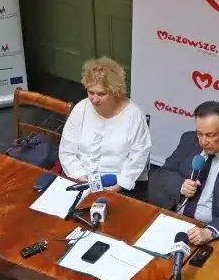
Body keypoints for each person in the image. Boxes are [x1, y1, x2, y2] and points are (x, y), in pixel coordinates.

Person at [148, 101, 219, 245]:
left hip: (210, 231)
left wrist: (210, 232)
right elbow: (164, 173)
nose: (203, 141)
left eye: (210, 135)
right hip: (174, 219)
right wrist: (181, 186)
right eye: (199, 134)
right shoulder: (189, 140)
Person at [57, 57, 151, 194]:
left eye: (101, 94)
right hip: (81, 179)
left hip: (118, 184)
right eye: (91, 92)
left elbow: (137, 158)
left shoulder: (134, 115)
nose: (94, 99)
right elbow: (67, 151)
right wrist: (82, 179)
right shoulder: (81, 109)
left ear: (115, 91)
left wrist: (117, 187)